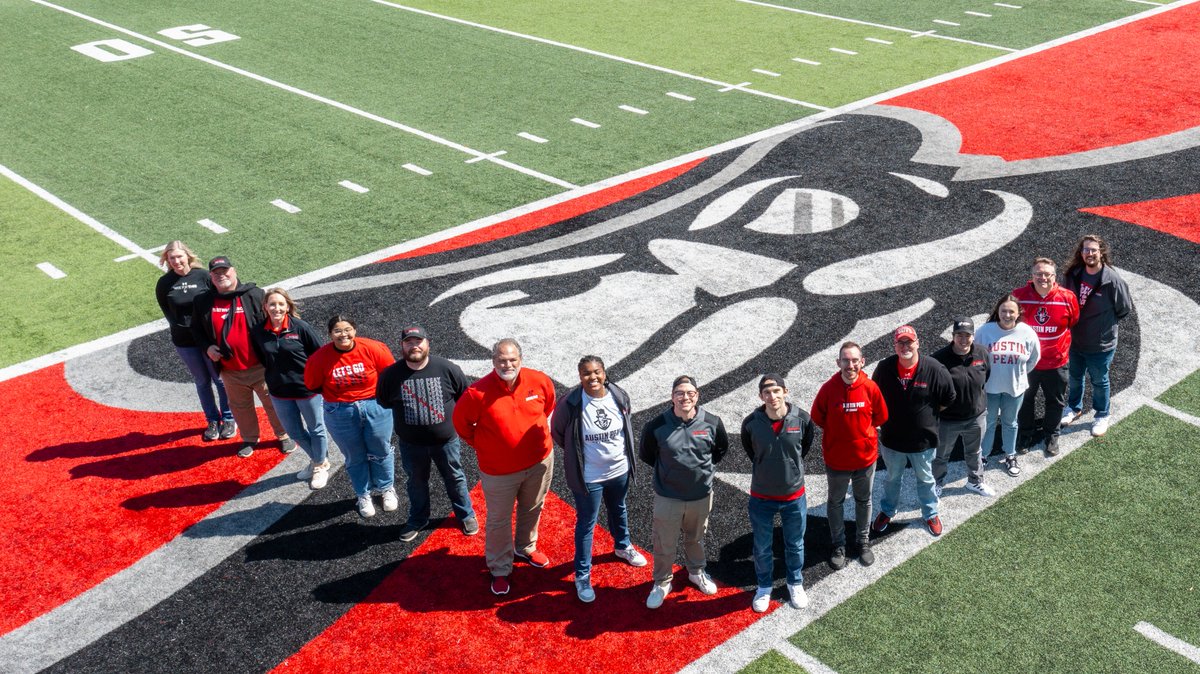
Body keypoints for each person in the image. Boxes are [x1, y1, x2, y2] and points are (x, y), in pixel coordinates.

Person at [452, 338, 556, 597]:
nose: (507, 364)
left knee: (533, 507)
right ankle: (499, 568)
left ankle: (525, 547)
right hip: (499, 472)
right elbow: (461, 425)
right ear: (493, 362)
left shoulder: (540, 381)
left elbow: (549, 406)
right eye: (501, 360)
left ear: (521, 359)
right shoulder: (476, 394)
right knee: (499, 521)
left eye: (512, 360)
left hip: (539, 462)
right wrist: (489, 446)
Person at [551, 356, 647, 604]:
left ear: (604, 373)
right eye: (586, 373)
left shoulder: (618, 395)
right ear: (579, 376)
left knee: (619, 508)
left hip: (619, 469)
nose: (592, 378)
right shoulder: (571, 403)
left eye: (596, 372)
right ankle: (582, 574)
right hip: (589, 477)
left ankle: (622, 546)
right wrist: (577, 455)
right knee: (587, 523)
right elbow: (558, 432)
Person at [377, 325, 478, 542]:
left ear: (427, 343)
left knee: (455, 478)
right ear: (402, 346)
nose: (414, 346)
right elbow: (384, 401)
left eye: (418, 341)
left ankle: (465, 514)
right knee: (415, 482)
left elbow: (464, 397)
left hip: (446, 442)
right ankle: (418, 519)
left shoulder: (447, 368)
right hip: (411, 444)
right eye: (409, 342)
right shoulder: (390, 375)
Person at [639, 375, 729, 610]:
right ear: (672, 397)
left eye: (690, 393)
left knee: (696, 538)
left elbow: (720, 450)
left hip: (700, 496)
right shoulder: (656, 425)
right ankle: (661, 582)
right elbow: (647, 455)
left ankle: (696, 572)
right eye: (680, 393)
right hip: (668, 497)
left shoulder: (712, 422)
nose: (685, 397)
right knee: (663, 543)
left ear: (697, 396)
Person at [192, 256, 292, 458]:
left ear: (234, 271)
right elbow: (195, 329)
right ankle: (250, 438)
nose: (222, 276)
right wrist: (207, 347)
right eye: (216, 273)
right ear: (210, 276)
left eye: (225, 271)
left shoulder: (254, 295)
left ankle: (283, 435)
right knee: (240, 408)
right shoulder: (203, 301)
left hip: (260, 367)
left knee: (274, 404)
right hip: (230, 370)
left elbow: (271, 322)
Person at [304, 316, 397, 518]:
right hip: (340, 411)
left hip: (375, 405)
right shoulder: (320, 358)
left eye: (347, 329)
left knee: (381, 449)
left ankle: (386, 487)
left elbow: (390, 375)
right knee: (354, 455)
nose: (343, 334)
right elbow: (312, 384)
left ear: (355, 330)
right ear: (330, 334)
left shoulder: (373, 348)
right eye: (337, 331)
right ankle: (363, 494)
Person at [871, 326, 956, 538]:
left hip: (923, 442)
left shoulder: (934, 368)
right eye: (901, 342)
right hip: (892, 440)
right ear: (895, 346)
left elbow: (949, 397)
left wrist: (927, 418)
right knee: (892, 478)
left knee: (926, 479)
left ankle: (930, 513)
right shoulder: (884, 368)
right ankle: (888, 510)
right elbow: (873, 395)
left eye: (909, 342)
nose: (905, 346)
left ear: (918, 343)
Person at [740, 374, 814, 613]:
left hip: (794, 496)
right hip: (762, 497)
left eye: (776, 391)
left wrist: (788, 467)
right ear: (761, 396)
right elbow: (751, 451)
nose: (772, 396)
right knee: (762, 547)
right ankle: (764, 586)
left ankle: (795, 582)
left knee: (795, 543)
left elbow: (804, 447)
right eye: (766, 393)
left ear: (785, 391)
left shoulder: (802, 418)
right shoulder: (751, 423)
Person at [812, 341, 887, 569]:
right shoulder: (828, 388)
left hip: (865, 459)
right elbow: (818, 417)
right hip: (837, 460)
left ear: (862, 362)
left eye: (855, 360)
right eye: (846, 360)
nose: (850, 365)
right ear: (838, 362)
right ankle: (838, 545)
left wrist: (860, 437)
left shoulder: (870, 387)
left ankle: (863, 542)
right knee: (836, 502)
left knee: (864, 501)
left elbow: (880, 417)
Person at [251, 288, 330, 489]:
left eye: (280, 304)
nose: (276, 308)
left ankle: (319, 465)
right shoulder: (259, 331)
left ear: (287, 306)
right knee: (294, 431)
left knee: (317, 429)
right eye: (272, 304)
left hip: (307, 390)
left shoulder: (301, 327)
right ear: (265, 307)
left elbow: (320, 354)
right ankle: (318, 459)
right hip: (279, 392)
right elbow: (263, 359)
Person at [155, 241, 234, 441]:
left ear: (187, 256)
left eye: (179, 257)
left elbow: (218, 301)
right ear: (167, 260)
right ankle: (212, 421)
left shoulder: (203, 276)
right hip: (184, 341)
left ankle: (229, 418)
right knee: (202, 381)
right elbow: (168, 312)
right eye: (172, 258)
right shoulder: (164, 283)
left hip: (209, 338)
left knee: (220, 380)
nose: (176, 261)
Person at [1061, 235, 1133, 437]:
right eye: (1086, 250)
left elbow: (1123, 309)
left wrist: (1102, 326)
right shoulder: (1072, 274)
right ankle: (1074, 407)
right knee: (1074, 377)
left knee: (1100, 381)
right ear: (1080, 252)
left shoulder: (1113, 280)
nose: (1089, 253)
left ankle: (1102, 414)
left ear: (1101, 252)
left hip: (1101, 344)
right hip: (1075, 340)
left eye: (1093, 250)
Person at [1014, 258, 1079, 456]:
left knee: (1056, 402)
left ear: (1054, 276)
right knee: (1024, 400)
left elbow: (1073, 322)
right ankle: (1025, 434)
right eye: (1038, 274)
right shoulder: (1018, 296)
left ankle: (1052, 435)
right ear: (1032, 276)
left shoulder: (1067, 297)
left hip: (1056, 363)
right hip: (1027, 364)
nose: (1043, 278)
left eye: (1047, 274)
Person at [975, 295, 1041, 479]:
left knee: (1010, 422)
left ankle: (1010, 454)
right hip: (989, 388)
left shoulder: (1027, 332)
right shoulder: (985, 331)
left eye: (1011, 311)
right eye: (1003, 310)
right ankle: (984, 455)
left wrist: (1017, 374)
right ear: (998, 311)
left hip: (1015, 388)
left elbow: (1034, 358)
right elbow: (975, 355)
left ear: (1018, 312)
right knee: (987, 423)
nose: (1007, 314)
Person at [931, 318, 994, 497]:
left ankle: (975, 481)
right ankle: (937, 483)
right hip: (948, 420)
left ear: (973, 336)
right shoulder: (939, 359)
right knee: (941, 455)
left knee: (974, 452)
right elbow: (933, 389)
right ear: (953, 336)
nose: (963, 339)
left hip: (976, 416)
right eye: (959, 335)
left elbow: (985, 376)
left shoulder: (982, 353)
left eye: (967, 335)